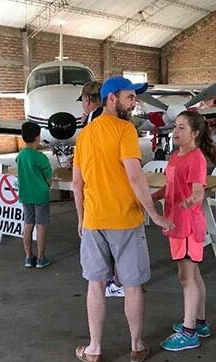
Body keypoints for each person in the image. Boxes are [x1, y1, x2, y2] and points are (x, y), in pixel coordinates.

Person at [72, 76, 174, 362]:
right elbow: (134, 175)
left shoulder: (86, 135)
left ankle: (94, 349)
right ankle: (136, 346)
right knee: (132, 286)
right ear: (112, 99)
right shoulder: (125, 129)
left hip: (93, 221)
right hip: (125, 220)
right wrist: (154, 214)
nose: (135, 102)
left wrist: (81, 219)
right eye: (130, 97)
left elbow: (77, 184)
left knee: (95, 285)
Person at [151, 110, 216, 351]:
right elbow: (169, 187)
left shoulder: (196, 158)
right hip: (175, 223)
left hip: (188, 225)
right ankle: (200, 322)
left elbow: (199, 190)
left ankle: (189, 331)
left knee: (186, 278)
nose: (175, 132)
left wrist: (193, 199)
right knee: (193, 275)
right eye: (175, 127)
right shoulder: (175, 156)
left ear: (195, 133)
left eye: (182, 128)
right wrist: (150, 199)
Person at [78, 80, 124, 298]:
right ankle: (116, 280)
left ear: (87, 100)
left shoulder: (96, 122)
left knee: (109, 244)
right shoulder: (111, 118)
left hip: (103, 198)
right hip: (107, 195)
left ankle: (115, 281)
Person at [16, 121, 53, 269]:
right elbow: (49, 179)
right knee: (41, 225)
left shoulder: (20, 156)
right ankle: (41, 257)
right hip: (40, 195)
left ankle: (28, 257)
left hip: (26, 194)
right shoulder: (41, 157)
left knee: (28, 224)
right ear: (38, 137)